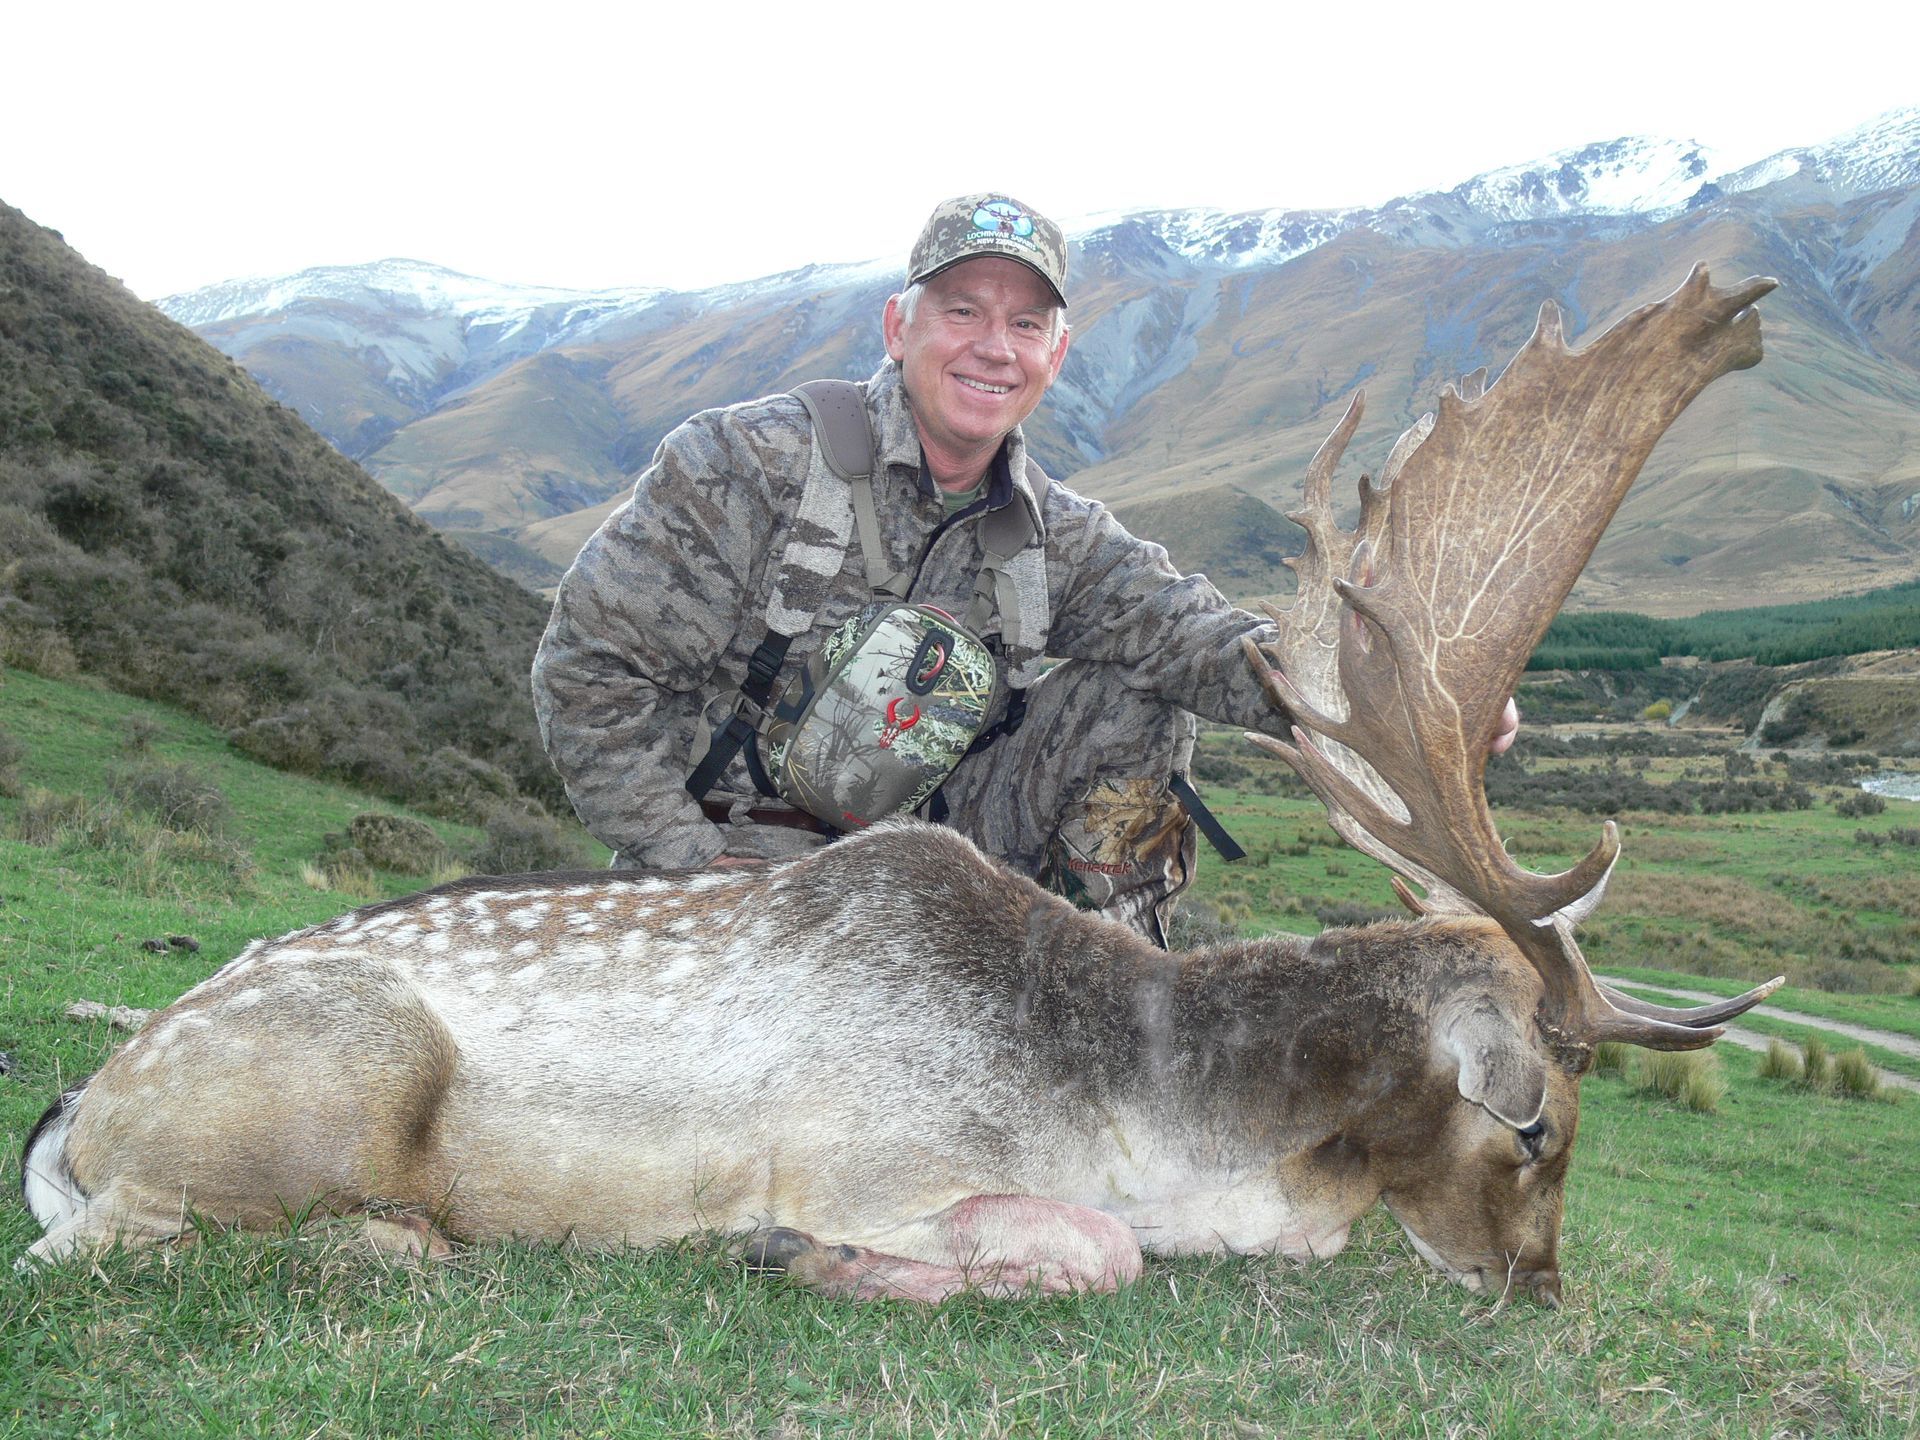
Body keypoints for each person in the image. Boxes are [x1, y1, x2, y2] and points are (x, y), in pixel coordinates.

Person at [531, 193, 1515, 946]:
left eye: (1026, 325)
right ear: (897, 326)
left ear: (1057, 352)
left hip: (941, 857)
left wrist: (1409, 693)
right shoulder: (743, 466)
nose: (993, 349)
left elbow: (1207, 643)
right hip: (745, 861)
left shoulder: (1060, 538)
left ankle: (1117, 996)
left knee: (1143, 687)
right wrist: (685, 856)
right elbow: (584, 672)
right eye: (963, 310)